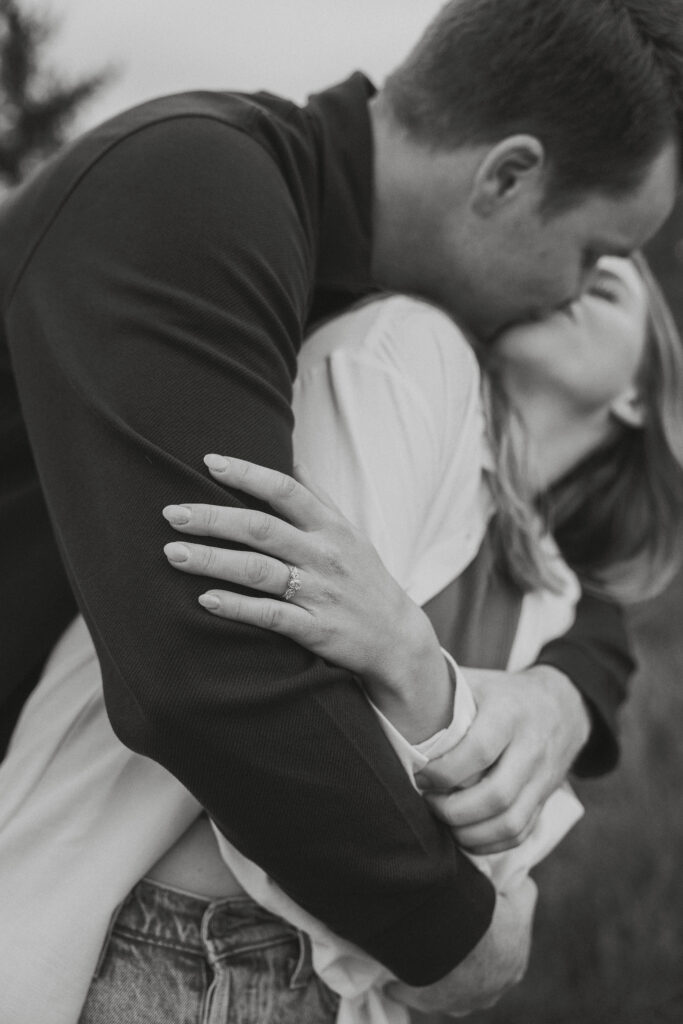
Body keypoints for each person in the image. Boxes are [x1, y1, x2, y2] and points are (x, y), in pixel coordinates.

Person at [1, 0, 682, 997]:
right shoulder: (194, 191)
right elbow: (209, 669)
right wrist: (460, 940)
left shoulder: (345, 284)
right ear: (506, 175)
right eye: (588, 254)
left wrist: (557, 695)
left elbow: (573, 584)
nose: (571, 290)